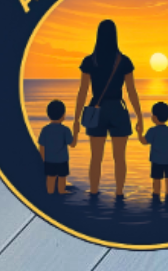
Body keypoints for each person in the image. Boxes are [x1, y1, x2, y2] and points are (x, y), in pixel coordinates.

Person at [72, 18, 142, 203]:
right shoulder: (124, 61)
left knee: (96, 157)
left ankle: (94, 192)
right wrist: (140, 116)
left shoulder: (90, 61)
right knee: (120, 157)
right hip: (118, 109)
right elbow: (131, 91)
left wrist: (76, 120)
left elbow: (83, 92)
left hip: (97, 109)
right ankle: (119, 193)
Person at [144, 101, 168, 206]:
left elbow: (144, 141)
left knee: (156, 180)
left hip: (156, 161)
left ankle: (156, 196)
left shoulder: (152, 130)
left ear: (154, 117)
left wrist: (139, 132)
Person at [38, 99, 73, 197]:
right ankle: (61, 191)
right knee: (62, 177)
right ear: (63, 115)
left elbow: (42, 146)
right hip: (62, 160)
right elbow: (72, 143)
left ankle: (50, 192)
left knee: (50, 177)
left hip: (49, 160)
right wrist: (76, 132)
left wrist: (43, 159)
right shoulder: (65, 130)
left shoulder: (45, 130)